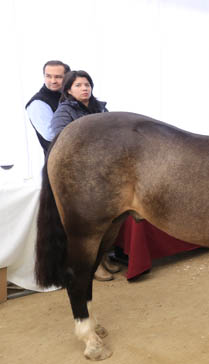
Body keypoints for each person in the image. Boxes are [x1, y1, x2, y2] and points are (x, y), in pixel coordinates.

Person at [49, 70, 114, 281]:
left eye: (87, 84)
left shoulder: (101, 108)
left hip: (105, 169)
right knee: (90, 221)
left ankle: (103, 258)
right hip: (80, 173)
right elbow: (60, 141)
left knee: (108, 218)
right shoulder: (63, 112)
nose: (85, 88)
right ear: (68, 90)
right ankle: (93, 266)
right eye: (78, 85)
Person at [25, 60, 70, 153]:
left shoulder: (71, 97)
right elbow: (51, 134)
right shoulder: (38, 103)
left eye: (58, 77)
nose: (53, 81)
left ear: (67, 77)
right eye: (48, 76)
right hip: (60, 161)